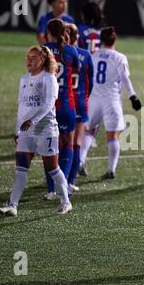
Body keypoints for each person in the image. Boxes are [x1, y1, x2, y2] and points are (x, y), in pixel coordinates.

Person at [0, 46, 72, 216]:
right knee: (21, 168)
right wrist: (18, 129)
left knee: (52, 168)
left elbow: (48, 104)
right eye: (28, 57)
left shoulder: (49, 78)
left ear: (43, 60)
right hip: (26, 131)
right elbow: (21, 105)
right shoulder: (24, 79)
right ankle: (13, 205)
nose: (29, 60)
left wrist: (32, 120)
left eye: (34, 57)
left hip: (46, 130)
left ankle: (66, 201)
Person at [80, 26, 142, 179]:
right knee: (112, 136)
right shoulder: (119, 57)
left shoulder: (92, 55)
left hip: (94, 100)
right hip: (111, 101)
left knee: (89, 131)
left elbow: (86, 77)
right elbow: (125, 78)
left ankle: (80, 162)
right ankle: (111, 170)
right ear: (115, 39)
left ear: (100, 40)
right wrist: (133, 96)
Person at [44, 19, 80, 200]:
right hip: (67, 104)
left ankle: (51, 189)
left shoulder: (42, 51)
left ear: (48, 32)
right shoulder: (71, 51)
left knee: (49, 147)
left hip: (47, 106)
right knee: (68, 144)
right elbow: (77, 71)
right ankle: (63, 184)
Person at [76, 1, 107, 177]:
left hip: (81, 79)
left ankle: (73, 162)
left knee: (78, 124)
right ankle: (80, 160)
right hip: (99, 82)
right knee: (92, 126)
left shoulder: (80, 30)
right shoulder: (103, 33)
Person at [64, 23, 94, 192]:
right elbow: (91, 82)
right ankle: (70, 181)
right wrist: (84, 97)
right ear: (78, 37)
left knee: (62, 143)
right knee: (77, 143)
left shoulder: (60, 54)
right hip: (81, 102)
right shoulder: (85, 54)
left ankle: (58, 181)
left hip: (64, 102)